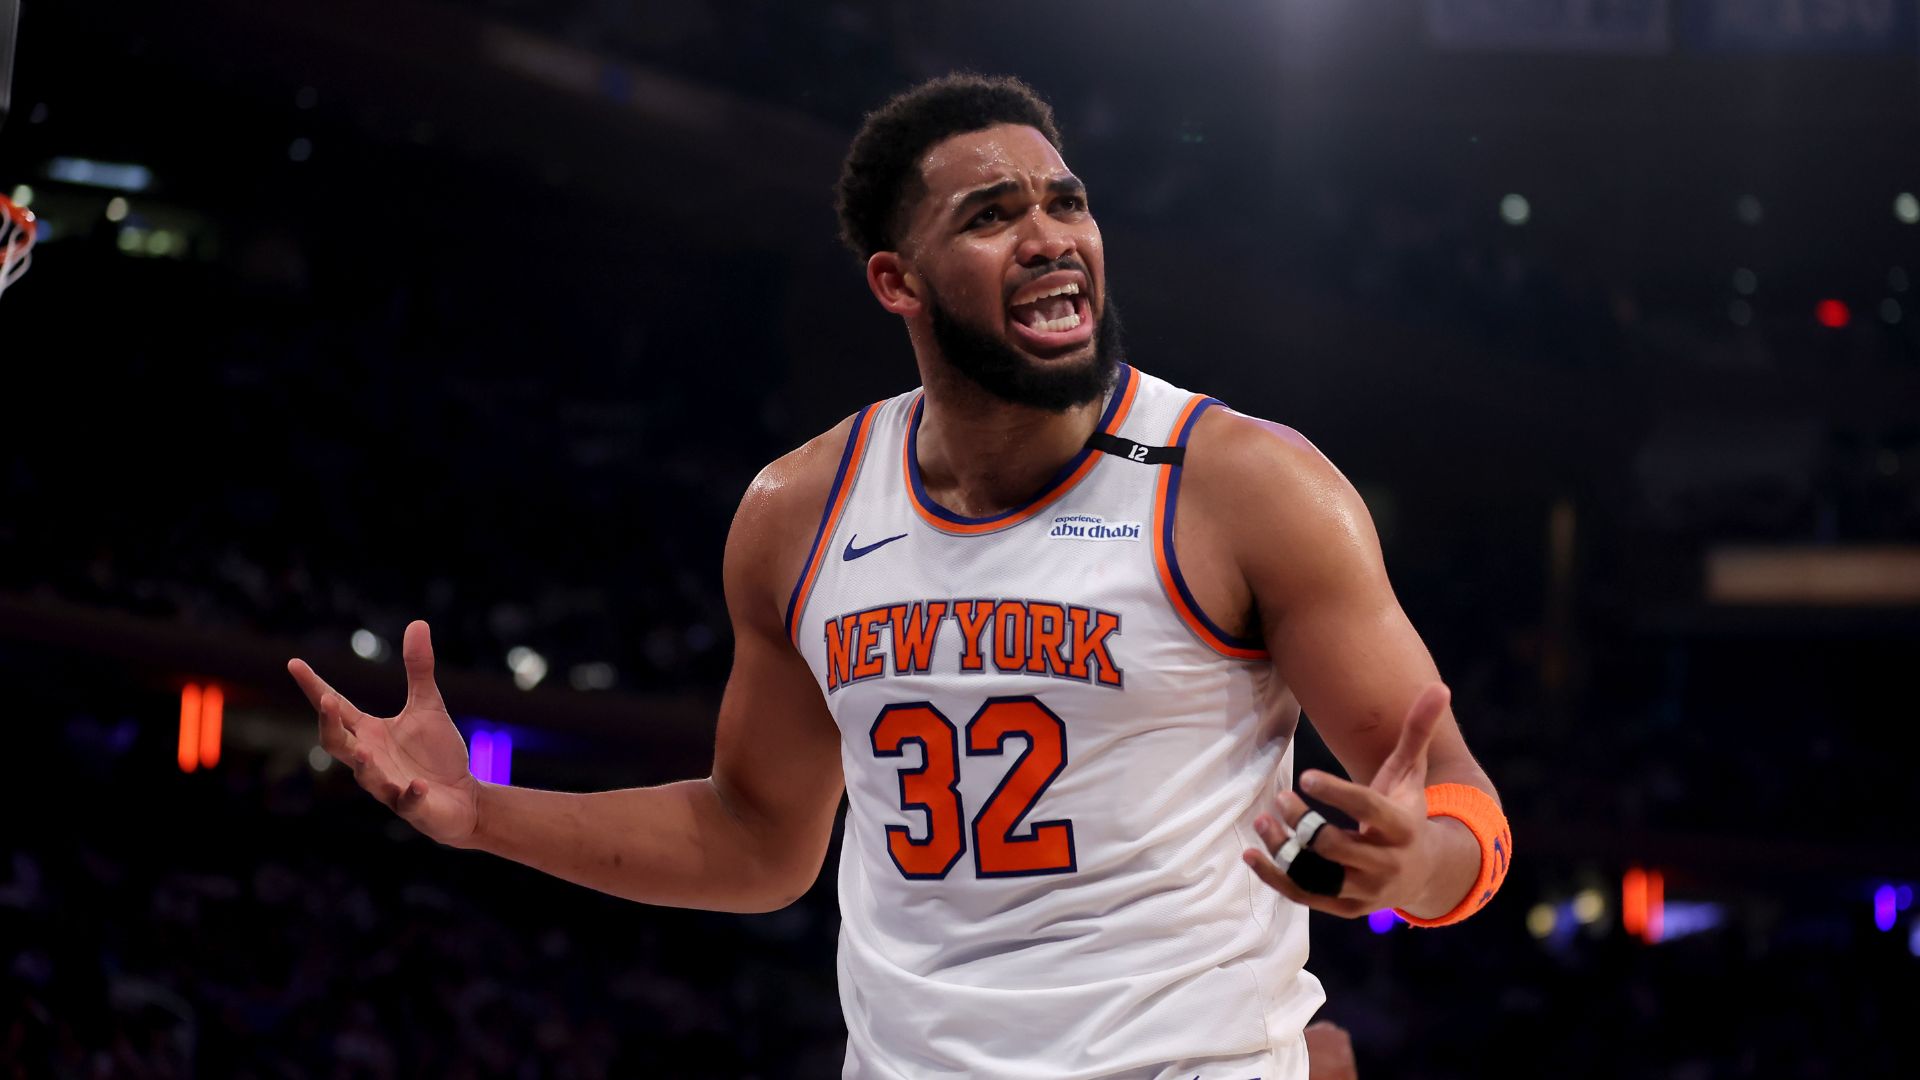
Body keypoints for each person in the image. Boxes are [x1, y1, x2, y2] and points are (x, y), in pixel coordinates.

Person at [288, 74, 1510, 1080]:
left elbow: (1467, 811)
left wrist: (1417, 869)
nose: (1050, 236)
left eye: (1066, 202)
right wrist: (478, 816)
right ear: (897, 281)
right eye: (991, 215)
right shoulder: (797, 512)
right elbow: (758, 840)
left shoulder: (1246, 486)